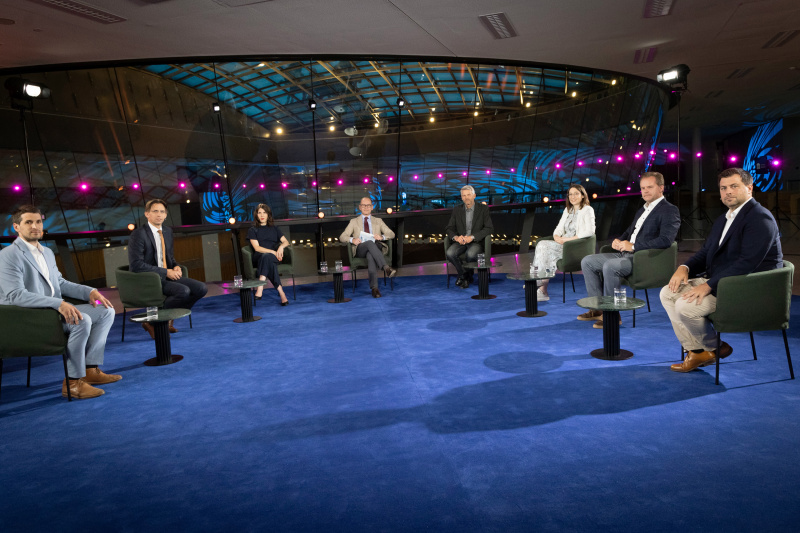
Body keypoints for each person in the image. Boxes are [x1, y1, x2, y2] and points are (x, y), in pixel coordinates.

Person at [661, 168, 782, 372]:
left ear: (749, 188)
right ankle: (700, 351)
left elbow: (747, 263)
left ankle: (712, 348)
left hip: (747, 288)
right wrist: (685, 267)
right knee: (667, 292)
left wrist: (708, 285)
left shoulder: (760, 219)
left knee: (685, 307)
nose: (727, 192)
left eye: (734, 186)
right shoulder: (725, 218)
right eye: (723, 188)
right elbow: (706, 252)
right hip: (724, 282)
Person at [0, 205, 119, 399]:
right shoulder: (8, 255)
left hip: (50, 312)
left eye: (38, 221)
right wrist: (58, 304)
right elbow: (15, 295)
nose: (35, 226)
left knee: (106, 311)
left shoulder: (46, 252)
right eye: (28, 222)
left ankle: (90, 369)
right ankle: (72, 382)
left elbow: (60, 283)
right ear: (16, 227)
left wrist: (90, 291)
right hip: (26, 317)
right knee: (81, 319)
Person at [579, 171, 680, 328]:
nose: (645, 191)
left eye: (649, 187)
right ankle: (598, 309)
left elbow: (666, 240)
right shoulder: (642, 210)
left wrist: (634, 246)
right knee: (587, 261)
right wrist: (619, 240)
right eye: (642, 188)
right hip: (625, 254)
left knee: (610, 266)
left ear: (661, 188)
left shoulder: (669, 210)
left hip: (644, 259)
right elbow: (630, 231)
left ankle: (612, 314)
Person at [128, 199, 208, 337]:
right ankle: (156, 322)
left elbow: (169, 257)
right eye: (155, 211)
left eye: (162, 212)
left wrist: (175, 266)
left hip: (166, 275)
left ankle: (164, 320)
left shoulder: (167, 231)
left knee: (201, 288)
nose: (159, 215)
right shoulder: (138, 234)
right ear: (147, 214)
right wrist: (166, 272)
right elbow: (136, 264)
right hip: (149, 279)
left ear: (165, 215)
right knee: (183, 291)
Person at [533, 184, 595, 301]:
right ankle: (541, 288)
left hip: (574, 246)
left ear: (582, 195)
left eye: (576, 193)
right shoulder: (568, 210)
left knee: (543, 246)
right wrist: (556, 236)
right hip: (562, 244)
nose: (573, 197)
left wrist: (567, 240)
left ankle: (539, 285)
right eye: (570, 194)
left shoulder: (588, 210)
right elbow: (559, 228)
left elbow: (590, 231)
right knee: (542, 246)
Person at [339, 197, 397, 298]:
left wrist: (382, 236)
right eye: (364, 205)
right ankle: (386, 268)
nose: (366, 207)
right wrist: (352, 240)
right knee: (370, 243)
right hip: (361, 248)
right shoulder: (354, 222)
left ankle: (374, 289)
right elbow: (342, 237)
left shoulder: (378, 221)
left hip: (375, 247)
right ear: (360, 207)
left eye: (368, 205)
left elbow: (391, 234)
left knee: (371, 255)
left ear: (372, 207)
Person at [445, 185, 494, 289]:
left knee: (471, 254)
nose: (466, 197)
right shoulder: (457, 210)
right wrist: (456, 237)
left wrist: (472, 237)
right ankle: (465, 275)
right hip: (461, 241)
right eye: (464, 195)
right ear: (461, 198)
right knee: (450, 253)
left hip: (475, 241)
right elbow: (449, 228)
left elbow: (489, 228)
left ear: (474, 196)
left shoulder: (483, 209)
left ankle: (464, 278)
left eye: (468, 195)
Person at [247, 204, 290, 305]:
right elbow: (257, 248)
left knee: (268, 259)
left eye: (264, 213)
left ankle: (260, 286)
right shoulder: (252, 230)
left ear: (268, 215)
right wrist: (272, 251)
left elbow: (286, 242)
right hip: (260, 256)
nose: (262, 215)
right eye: (259, 213)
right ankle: (282, 294)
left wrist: (280, 247)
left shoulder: (275, 228)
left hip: (274, 256)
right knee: (267, 259)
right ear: (256, 215)